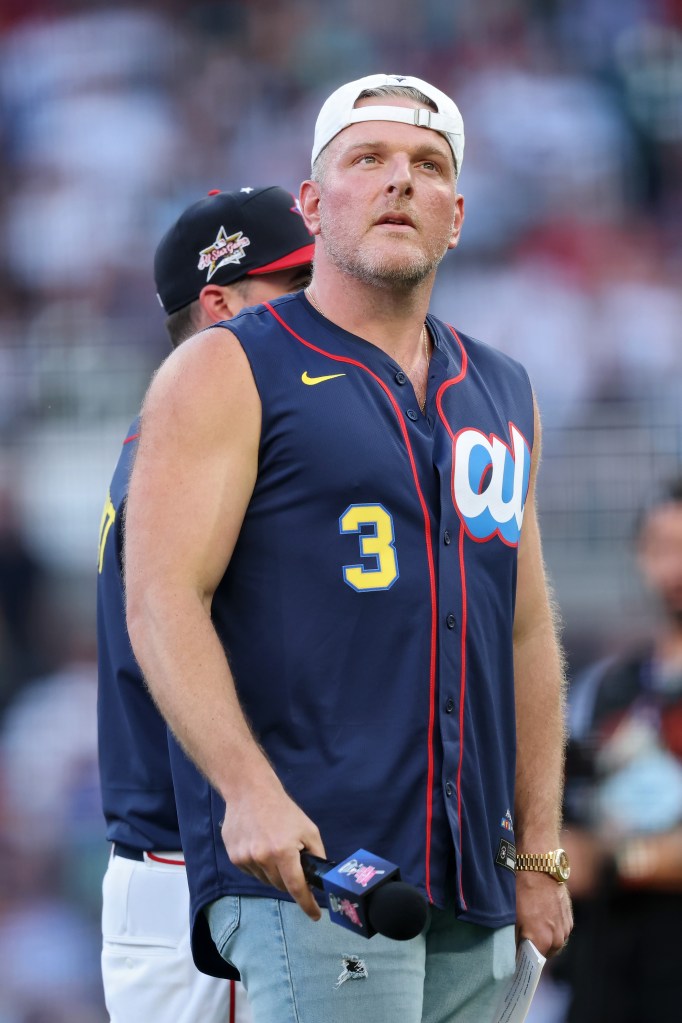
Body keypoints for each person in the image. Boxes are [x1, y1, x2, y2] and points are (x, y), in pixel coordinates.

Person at [124, 73, 573, 1023]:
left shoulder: (503, 386)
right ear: (315, 205)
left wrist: (539, 850)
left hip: (476, 875)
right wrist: (246, 791)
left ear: (458, 216)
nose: (400, 182)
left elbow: (527, 630)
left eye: (427, 166)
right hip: (318, 864)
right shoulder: (228, 363)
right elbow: (162, 595)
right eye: (367, 160)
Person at [96, 185, 314, 1023]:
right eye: (292, 286)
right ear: (220, 303)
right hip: (200, 867)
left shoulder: (210, 430)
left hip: (212, 859)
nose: (318, 305)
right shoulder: (195, 442)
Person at [559, 478, 682, 1023]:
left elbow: (594, 859)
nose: (675, 569)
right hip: (606, 975)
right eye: (661, 548)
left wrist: (611, 862)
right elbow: (562, 827)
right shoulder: (606, 688)